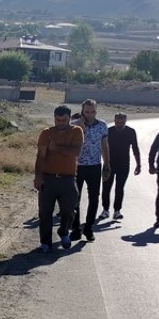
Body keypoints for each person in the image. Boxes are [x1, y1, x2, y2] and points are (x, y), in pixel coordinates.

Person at [34, 105, 84, 253]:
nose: (60, 123)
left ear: (69, 119)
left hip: (68, 178)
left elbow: (76, 153)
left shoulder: (76, 131)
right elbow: (41, 156)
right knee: (45, 213)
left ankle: (63, 231)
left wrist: (56, 148)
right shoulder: (46, 133)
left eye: (63, 120)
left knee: (69, 209)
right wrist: (38, 177)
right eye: (57, 120)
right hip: (48, 178)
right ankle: (45, 242)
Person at [70, 99, 110, 242]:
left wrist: (107, 164)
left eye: (92, 111)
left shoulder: (102, 126)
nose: (90, 114)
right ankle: (75, 229)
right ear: (82, 111)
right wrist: (81, 128)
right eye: (87, 112)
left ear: (96, 111)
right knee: (75, 199)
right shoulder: (74, 125)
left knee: (94, 198)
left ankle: (88, 228)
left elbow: (104, 145)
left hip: (94, 166)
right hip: (77, 165)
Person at [101, 112, 141, 220]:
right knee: (106, 187)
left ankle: (117, 211)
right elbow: (102, 147)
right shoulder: (109, 131)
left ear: (125, 121)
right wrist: (105, 162)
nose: (119, 123)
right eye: (118, 121)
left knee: (119, 188)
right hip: (108, 163)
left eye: (122, 122)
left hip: (123, 164)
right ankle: (105, 210)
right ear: (114, 121)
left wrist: (138, 164)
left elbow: (135, 148)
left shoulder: (130, 132)